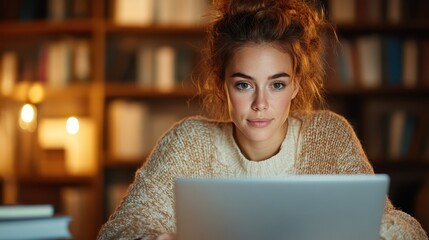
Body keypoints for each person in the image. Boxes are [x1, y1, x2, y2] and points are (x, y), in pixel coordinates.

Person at [97, 0, 428, 239]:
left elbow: (407, 230)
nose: (260, 104)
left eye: (277, 84)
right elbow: (118, 232)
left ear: (297, 83)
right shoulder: (188, 142)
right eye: (243, 84)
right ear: (220, 83)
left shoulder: (328, 134)